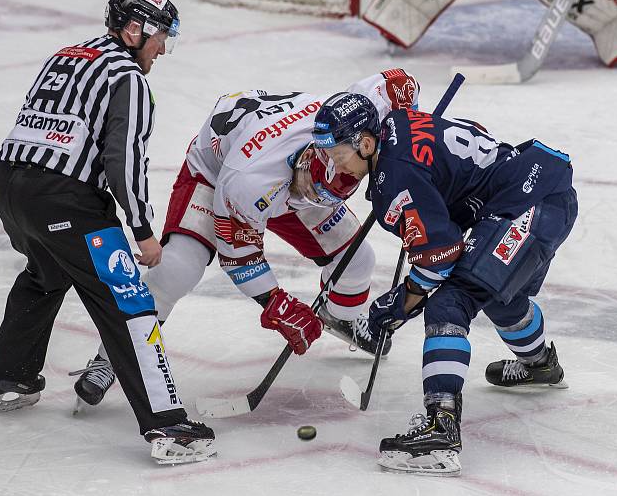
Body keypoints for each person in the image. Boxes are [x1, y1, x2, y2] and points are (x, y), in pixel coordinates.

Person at [72, 69, 421, 409]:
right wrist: (277, 304)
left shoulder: (353, 119)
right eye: (312, 191)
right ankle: (110, 355)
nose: (311, 201)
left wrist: (406, 136)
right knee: (177, 269)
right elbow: (239, 256)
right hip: (215, 170)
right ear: (308, 164)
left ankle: (340, 317)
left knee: (358, 261)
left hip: (285, 166)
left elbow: (399, 83)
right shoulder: (246, 181)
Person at [0, 0, 215, 465]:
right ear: (134, 30)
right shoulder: (127, 77)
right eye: (159, 36)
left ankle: (11, 379)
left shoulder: (66, 54)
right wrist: (143, 231)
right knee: (128, 301)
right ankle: (168, 426)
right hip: (65, 196)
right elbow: (122, 161)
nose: (163, 49)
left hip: (8, 183)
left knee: (43, 275)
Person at [304, 92, 577, 476]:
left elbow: (441, 254)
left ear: (366, 144)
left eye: (337, 155)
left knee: (450, 304)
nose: (334, 165)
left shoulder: (393, 179)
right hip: (538, 189)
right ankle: (540, 364)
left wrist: (398, 305)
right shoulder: (396, 125)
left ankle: (441, 429)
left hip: (525, 205)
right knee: (498, 294)